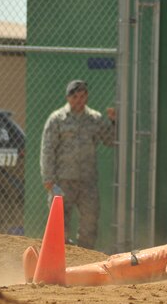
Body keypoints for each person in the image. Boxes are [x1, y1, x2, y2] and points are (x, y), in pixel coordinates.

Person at [40, 79, 116, 249]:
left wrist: (113, 122)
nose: (79, 100)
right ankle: (62, 257)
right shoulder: (57, 119)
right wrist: (48, 179)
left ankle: (84, 258)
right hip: (62, 181)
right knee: (59, 224)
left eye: (83, 96)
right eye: (75, 97)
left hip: (87, 182)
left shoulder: (95, 119)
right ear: (68, 98)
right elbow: (47, 149)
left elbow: (110, 140)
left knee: (90, 222)